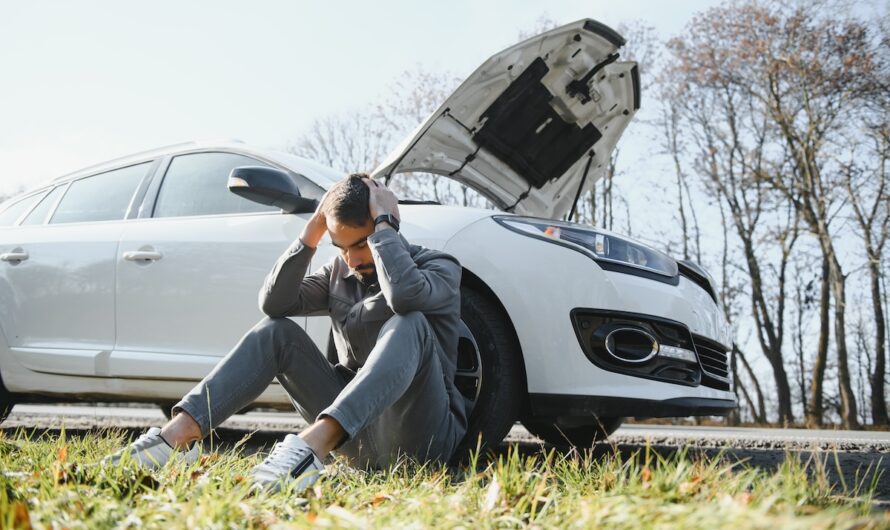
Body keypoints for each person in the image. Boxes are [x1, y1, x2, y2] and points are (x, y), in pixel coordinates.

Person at [107, 173, 468, 494]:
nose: (352, 260)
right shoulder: (338, 274)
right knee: (275, 332)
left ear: (386, 227)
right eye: (340, 248)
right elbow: (275, 303)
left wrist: (385, 227)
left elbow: (404, 295)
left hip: (420, 440)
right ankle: (173, 439)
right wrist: (310, 234)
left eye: (361, 244)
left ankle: (309, 449)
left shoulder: (439, 267)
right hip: (356, 440)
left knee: (410, 323)